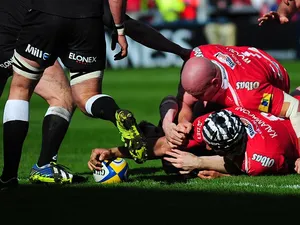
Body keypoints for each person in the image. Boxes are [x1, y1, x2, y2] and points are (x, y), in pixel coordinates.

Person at [1, 0, 148, 191]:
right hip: (88, 20)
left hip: (46, 14)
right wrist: (119, 29)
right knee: (87, 95)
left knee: (20, 88)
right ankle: (115, 114)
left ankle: (9, 176)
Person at [161, 44, 300, 153]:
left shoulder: (250, 95)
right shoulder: (200, 53)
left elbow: (295, 108)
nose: (193, 98)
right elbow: (186, 101)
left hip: (274, 78)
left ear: (215, 83)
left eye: (198, 94)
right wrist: (183, 122)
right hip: (246, 60)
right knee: (201, 118)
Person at [88, 106, 300, 177]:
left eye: (211, 147)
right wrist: (114, 152)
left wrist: (199, 162)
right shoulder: (215, 120)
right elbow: (164, 146)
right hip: (284, 120)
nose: (206, 146)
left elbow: (240, 169)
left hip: (295, 132)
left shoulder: (260, 159)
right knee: (171, 161)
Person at [0, 0, 75, 188]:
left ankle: (42, 166)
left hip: (27, 39)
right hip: (25, 37)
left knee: (63, 97)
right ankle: (36, 167)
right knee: (56, 96)